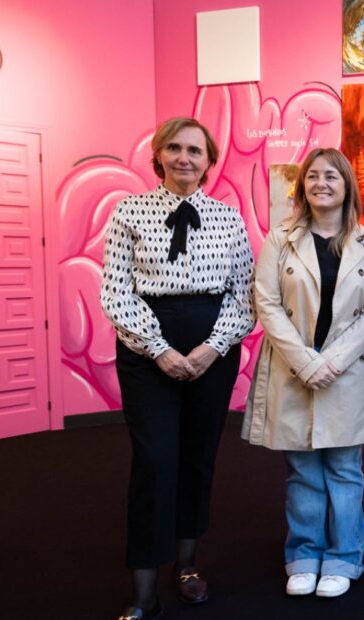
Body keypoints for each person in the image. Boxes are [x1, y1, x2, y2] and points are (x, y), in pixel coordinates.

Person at [100, 117, 255, 620]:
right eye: (175, 148)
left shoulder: (228, 218)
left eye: (195, 150)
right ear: (159, 156)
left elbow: (243, 294)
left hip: (213, 346)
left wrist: (213, 347)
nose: (184, 157)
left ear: (209, 162)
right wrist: (158, 348)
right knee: (154, 461)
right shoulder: (130, 211)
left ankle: (187, 565)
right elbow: (116, 292)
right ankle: (143, 587)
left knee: (197, 458)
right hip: (148, 345)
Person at [242, 148, 364, 598]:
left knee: (344, 470)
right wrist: (305, 361)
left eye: (331, 176)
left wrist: (332, 360)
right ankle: (304, 554)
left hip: (345, 370)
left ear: (347, 186)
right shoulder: (279, 238)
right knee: (302, 469)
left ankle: (344, 557)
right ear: (302, 186)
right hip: (292, 367)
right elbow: (265, 302)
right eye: (313, 176)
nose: (322, 183)